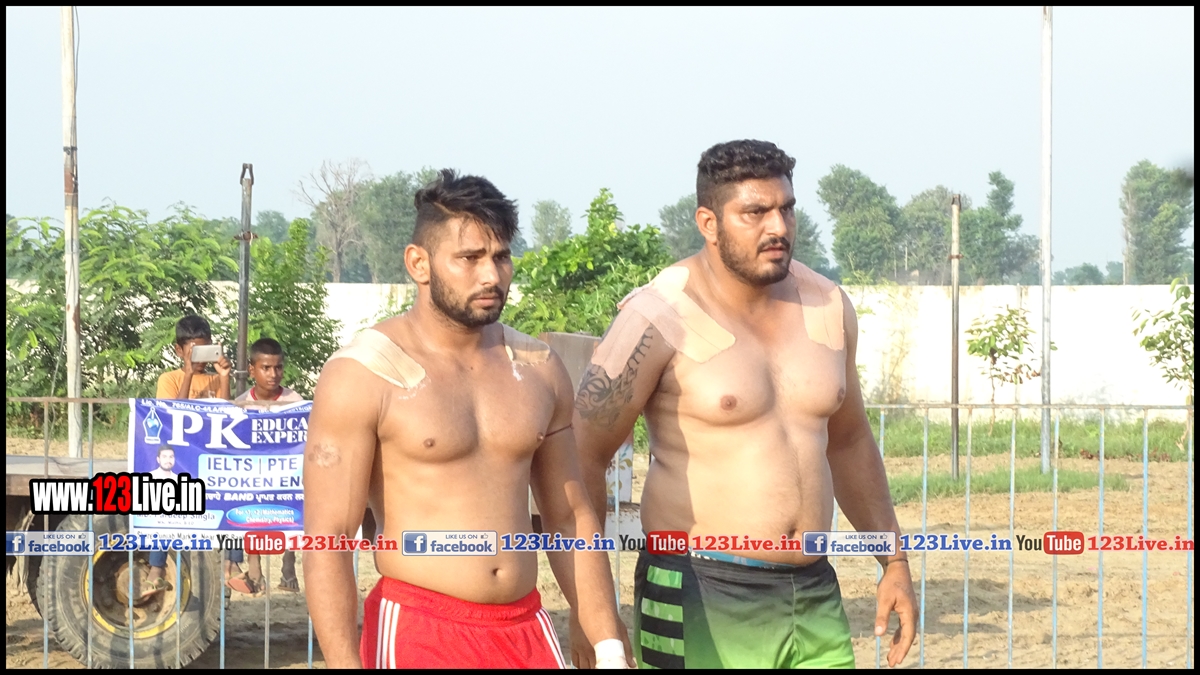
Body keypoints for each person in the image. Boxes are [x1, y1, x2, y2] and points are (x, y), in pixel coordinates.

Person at [573, 140, 919, 669]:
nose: (778, 227)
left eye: (786, 209)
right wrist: (593, 616)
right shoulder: (658, 316)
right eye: (755, 213)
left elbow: (850, 443)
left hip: (812, 590)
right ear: (708, 223)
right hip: (699, 585)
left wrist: (893, 560)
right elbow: (581, 458)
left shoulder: (827, 306)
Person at [303, 169, 632, 669]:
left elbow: (570, 518)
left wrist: (608, 646)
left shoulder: (539, 368)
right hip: (419, 630)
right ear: (419, 263)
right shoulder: (364, 373)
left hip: (526, 630)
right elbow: (328, 538)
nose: (491, 276)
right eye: (469, 258)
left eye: (501, 257)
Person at [143, 315, 232, 599]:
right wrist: (189, 375)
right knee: (163, 505)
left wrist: (225, 378)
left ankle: (233, 566)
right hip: (179, 458)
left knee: (232, 500)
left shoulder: (215, 379)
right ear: (179, 350)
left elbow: (227, 413)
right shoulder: (169, 379)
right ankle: (156, 569)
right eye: (194, 351)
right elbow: (171, 414)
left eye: (205, 350)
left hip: (209, 457)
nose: (200, 359)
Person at [227, 337, 304, 594]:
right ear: (252, 370)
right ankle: (254, 569)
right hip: (254, 474)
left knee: (294, 504)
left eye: (278, 367)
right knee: (249, 507)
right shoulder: (242, 403)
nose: (273, 374)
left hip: (288, 472)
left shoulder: (294, 401)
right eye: (266, 368)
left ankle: (289, 565)